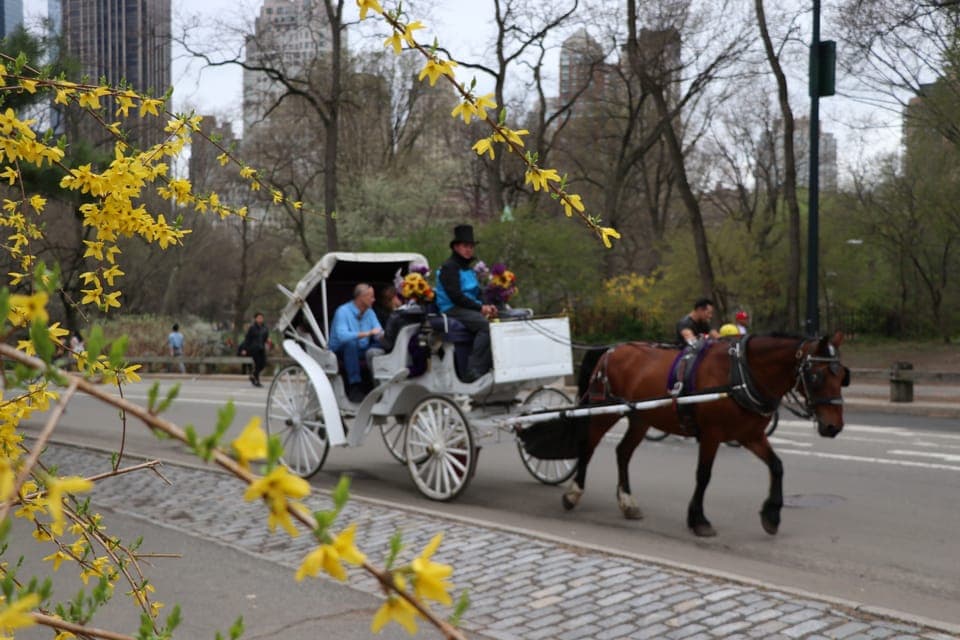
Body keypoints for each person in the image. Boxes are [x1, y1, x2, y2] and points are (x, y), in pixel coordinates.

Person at [435, 224, 497, 382]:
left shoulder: (468, 268)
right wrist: (480, 307)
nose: (469, 249)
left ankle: (494, 363)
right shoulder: (449, 267)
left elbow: (478, 292)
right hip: (452, 308)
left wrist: (488, 306)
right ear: (456, 247)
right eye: (465, 246)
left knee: (502, 321)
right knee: (486, 326)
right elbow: (456, 296)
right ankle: (474, 368)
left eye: (471, 246)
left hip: (467, 307)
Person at [329, 283, 384, 403]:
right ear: (361, 297)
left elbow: (378, 331)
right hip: (340, 350)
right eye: (371, 297)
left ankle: (379, 382)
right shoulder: (343, 311)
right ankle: (355, 387)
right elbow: (342, 336)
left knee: (380, 345)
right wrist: (367, 333)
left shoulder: (370, 312)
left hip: (362, 349)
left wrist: (385, 337)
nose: (374, 300)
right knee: (351, 344)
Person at [239, 312, 272, 387]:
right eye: (259, 318)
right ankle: (257, 381)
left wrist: (268, 341)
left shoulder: (265, 328)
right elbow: (247, 339)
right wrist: (244, 349)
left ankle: (253, 376)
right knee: (257, 365)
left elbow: (266, 337)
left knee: (263, 364)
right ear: (256, 319)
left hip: (262, 348)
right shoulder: (252, 328)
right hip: (254, 349)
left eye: (261, 318)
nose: (260, 319)